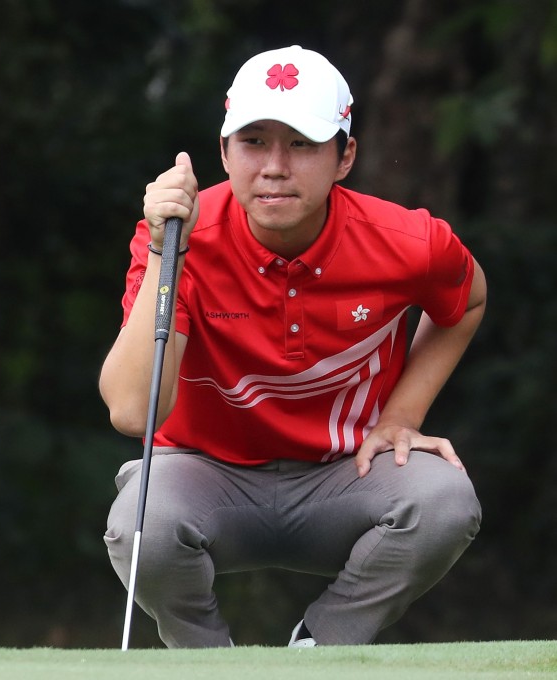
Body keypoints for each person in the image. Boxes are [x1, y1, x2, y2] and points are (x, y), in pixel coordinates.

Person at [100, 45, 485, 648]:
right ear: (224, 152)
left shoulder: (409, 241)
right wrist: (164, 248)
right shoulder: (181, 237)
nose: (275, 167)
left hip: (346, 475)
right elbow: (130, 410)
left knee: (444, 501)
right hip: (205, 476)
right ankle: (205, 664)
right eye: (253, 142)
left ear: (344, 156)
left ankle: (321, 649)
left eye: (302, 144)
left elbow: (469, 302)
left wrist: (403, 416)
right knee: (140, 525)